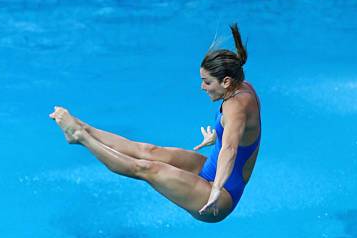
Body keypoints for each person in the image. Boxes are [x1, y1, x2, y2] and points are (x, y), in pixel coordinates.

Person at [49, 23, 261, 222]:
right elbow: (240, 129)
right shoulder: (242, 87)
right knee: (148, 150)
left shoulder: (237, 106)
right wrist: (218, 132)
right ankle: (83, 126)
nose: (202, 87)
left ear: (226, 81)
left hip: (220, 196)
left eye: (207, 82)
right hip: (210, 169)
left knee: (146, 168)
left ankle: (80, 137)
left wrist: (215, 189)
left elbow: (230, 149)